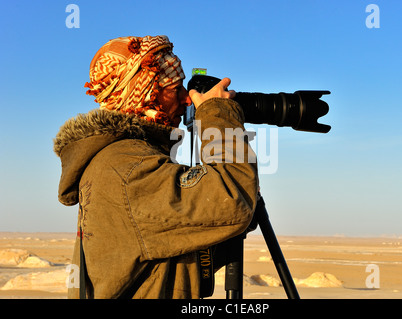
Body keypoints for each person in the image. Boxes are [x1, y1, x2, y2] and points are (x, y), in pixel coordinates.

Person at [53, 35, 259, 298]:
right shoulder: (128, 167)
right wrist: (218, 113)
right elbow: (233, 200)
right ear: (146, 94)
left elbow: (173, 254)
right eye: (175, 88)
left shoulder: (119, 159)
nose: (187, 99)